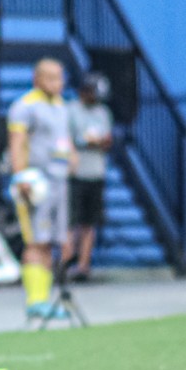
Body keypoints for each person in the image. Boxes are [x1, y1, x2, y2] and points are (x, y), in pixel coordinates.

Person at [7, 58, 73, 320]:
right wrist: (20, 176)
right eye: (51, 77)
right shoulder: (24, 106)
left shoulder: (60, 105)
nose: (58, 83)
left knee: (51, 242)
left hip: (59, 181)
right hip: (37, 183)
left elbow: (63, 140)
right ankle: (35, 300)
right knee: (36, 240)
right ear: (37, 79)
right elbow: (17, 142)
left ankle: (44, 298)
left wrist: (73, 157)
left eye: (60, 77)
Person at [60, 72, 112, 282]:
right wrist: (84, 142)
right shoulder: (71, 110)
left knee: (90, 222)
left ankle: (83, 266)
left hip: (96, 173)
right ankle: (64, 264)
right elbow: (66, 140)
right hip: (75, 173)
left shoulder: (102, 112)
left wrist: (100, 142)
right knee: (71, 221)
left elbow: (107, 140)